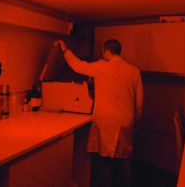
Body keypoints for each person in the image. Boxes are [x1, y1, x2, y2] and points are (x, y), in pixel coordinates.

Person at [55, 39, 143, 187]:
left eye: (102, 52)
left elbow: (77, 66)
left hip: (107, 122)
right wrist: (135, 122)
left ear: (106, 51)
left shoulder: (102, 67)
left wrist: (64, 48)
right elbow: (139, 103)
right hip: (127, 122)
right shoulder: (134, 71)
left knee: (104, 162)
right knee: (125, 162)